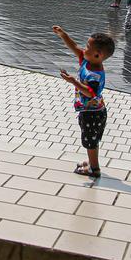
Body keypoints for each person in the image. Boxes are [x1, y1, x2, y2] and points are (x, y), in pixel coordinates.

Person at [51, 25, 115, 178]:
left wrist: (73, 81)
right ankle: (93, 163)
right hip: (93, 110)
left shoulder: (94, 74)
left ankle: (94, 169)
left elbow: (90, 92)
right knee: (92, 140)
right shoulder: (88, 60)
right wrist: (63, 35)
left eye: (87, 47)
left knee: (90, 141)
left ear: (98, 55)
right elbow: (74, 47)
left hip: (92, 113)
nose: (84, 49)